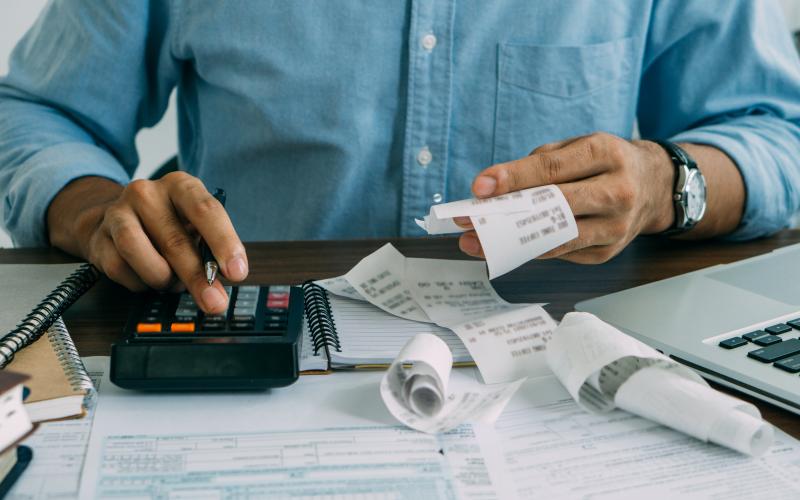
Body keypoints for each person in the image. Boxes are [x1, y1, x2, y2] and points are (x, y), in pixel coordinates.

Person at [1, 1, 799, 314]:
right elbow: (35, 112)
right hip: (246, 339)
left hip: (565, 364)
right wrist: (96, 209)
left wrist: (670, 185)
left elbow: (775, 135)